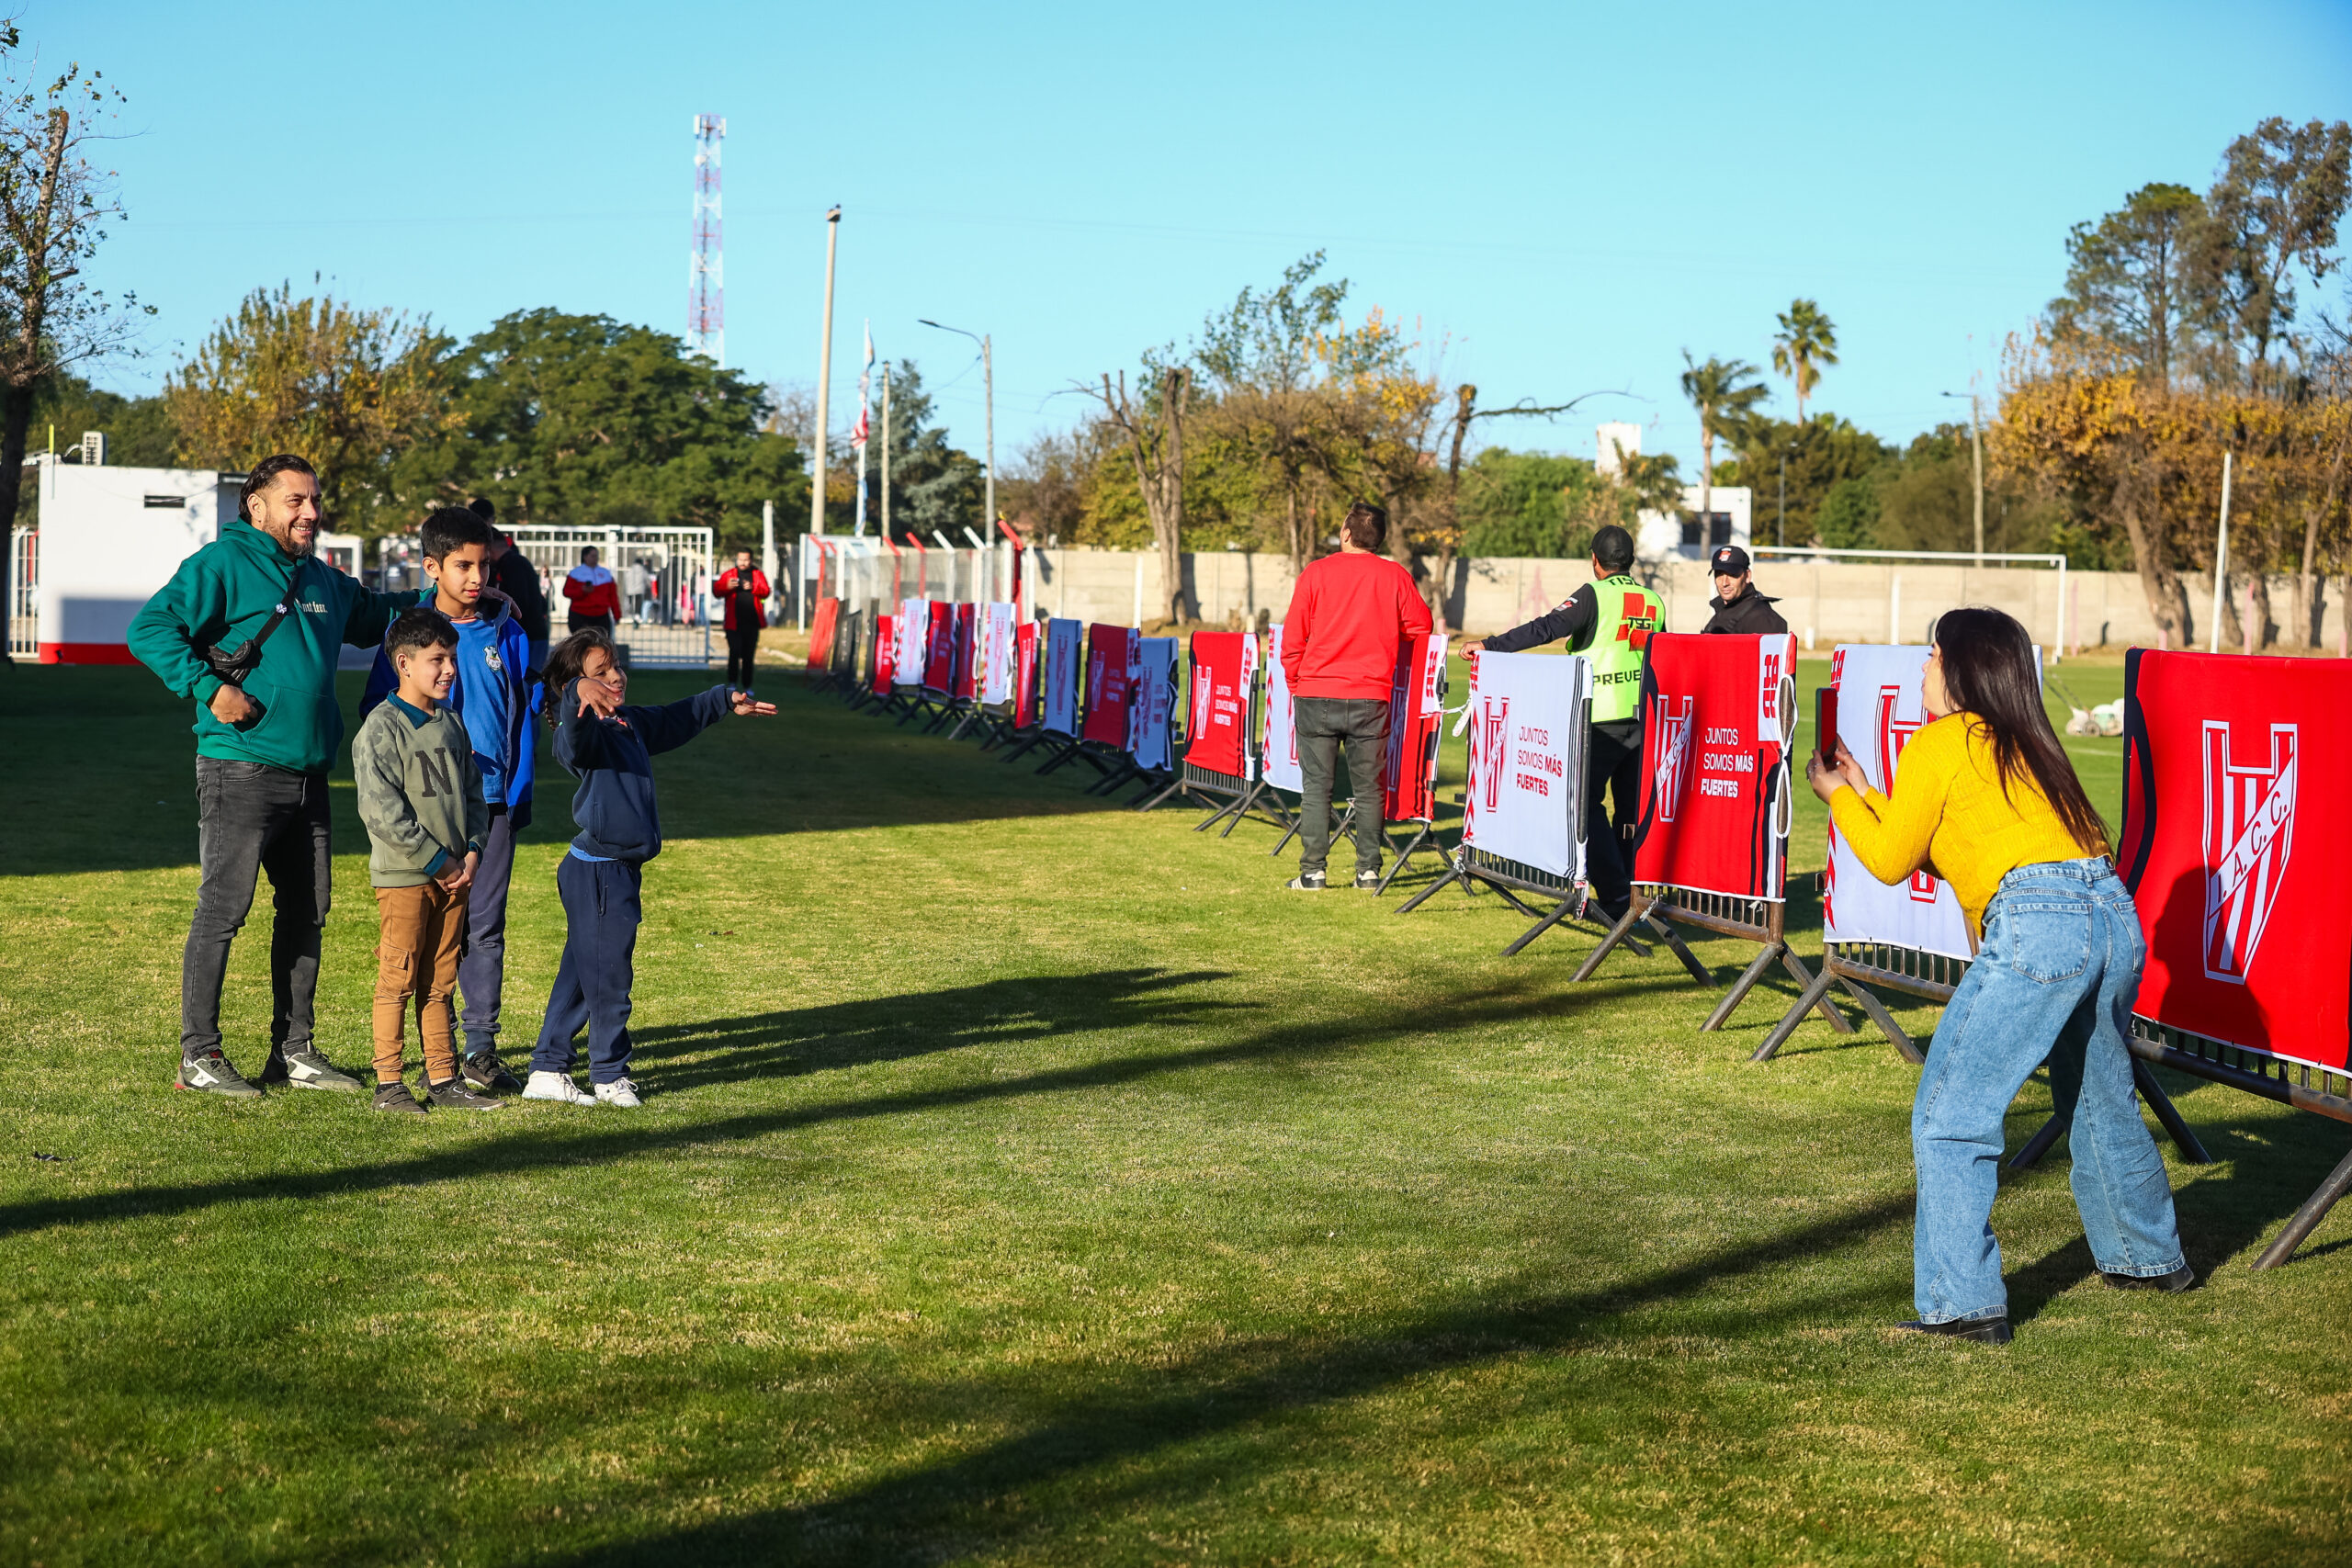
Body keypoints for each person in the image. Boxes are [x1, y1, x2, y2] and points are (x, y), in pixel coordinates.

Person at [1808, 606, 2188, 1345]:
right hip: (2111, 914)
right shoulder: (2029, 742)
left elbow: (1887, 861)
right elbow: (1942, 845)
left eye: (1931, 654)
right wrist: (1865, 790)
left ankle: (1964, 1303)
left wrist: (1837, 796)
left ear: (1960, 668)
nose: (1923, 666)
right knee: (2100, 1099)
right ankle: (2149, 1258)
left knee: (1950, 1112)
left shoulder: (1940, 741)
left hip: (2039, 925)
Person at [127, 453, 413, 1098]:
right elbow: (150, 629)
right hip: (240, 764)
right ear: (257, 507)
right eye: (296, 501)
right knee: (224, 909)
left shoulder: (323, 579)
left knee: (308, 911)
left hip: (310, 772)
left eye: (315, 500)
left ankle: (295, 1051)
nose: (311, 512)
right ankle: (200, 1054)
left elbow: (379, 613)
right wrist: (209, 689)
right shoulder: (223, 563)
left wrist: (445, 595)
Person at [525, 626, 777, 1108]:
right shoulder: (583, 734)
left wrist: (723, 699)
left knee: (582, 976)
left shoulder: (628, 722)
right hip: (599, 873)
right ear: (578, 685)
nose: (616, 677)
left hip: (611, 872)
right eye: (601, 673)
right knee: (610, 982)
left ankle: (547, 1069)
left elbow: (676, 718)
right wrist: (577, 690)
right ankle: (609, 1075)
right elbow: (573, 733)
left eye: (616, 666)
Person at [362, 506, 552, 1093]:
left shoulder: (506, 629)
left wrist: (518, 784)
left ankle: (479, 1050)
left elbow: (526, 699)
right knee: (420, 944)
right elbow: (379, 713)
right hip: (425, 817)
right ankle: (413, 1063)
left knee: (486, 928)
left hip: (490, 806)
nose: (477, 578)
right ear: (433, 567)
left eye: (484, 566)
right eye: (463, 566)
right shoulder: (409, 633)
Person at [1459, 524, 1660, 923]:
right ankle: (1633, 895)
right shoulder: (1654, 600)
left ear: (1595, 559)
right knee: (1629, 813)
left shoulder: (1594, 594)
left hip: (1600, 717)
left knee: (1583, 808)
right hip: (1643, 718)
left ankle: (1617, 897)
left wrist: (1491, 645)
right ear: (1631, 560)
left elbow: (1547, 628)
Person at [352, 608, 503, 1114]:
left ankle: (443, 1077)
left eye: (452, 658)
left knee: (440, 982)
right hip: (406, 877)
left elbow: (476, 794)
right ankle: (389, 1084)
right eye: (437, 659)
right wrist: (437, 861)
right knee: (398, 979)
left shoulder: (451, 722)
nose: (449, 669)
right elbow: (382, 812)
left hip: (456, 877)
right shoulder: (381, 728)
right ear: (404, 664)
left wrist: (474, 850)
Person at [1278, 502, 1433, 891]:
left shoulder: (1316, 573)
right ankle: (1368, 871)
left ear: (1346, 533)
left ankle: (1313, 871)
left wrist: (1296, 683)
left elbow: (1293, 637)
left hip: (1317, 692)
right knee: (1369, 788)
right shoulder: (1394, 576)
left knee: (1317, 787)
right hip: (1370, 695)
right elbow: (1421, 626)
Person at [474, 499, 551, 680]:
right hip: (524, 632)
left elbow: (519, 601)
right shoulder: (511, 562)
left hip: (528, 634)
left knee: (528, 681)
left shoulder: (513, 565)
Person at [1698, 544, 1789, 635]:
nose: (1724, 583)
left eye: (1732, 575)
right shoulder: (1724, 609)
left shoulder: (1762, 618)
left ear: (1747, 576)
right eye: (1719, 575)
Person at [715, 547, 772, 692]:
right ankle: (732, 683)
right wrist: (727, 586)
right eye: (740, 559)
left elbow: (766, 591)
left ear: (751, 560)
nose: (743, 563)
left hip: (752, 623)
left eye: (746, 560)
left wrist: (753, 587)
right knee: (734, 652)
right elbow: (716, 591)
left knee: (748, 655)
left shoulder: (757, 574)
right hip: (733, 623)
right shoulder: (729, 574)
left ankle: (747, 686)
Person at [561, 547, 620, 637]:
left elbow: (613, 596)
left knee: (602, 641)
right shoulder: (575, 573)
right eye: (592, 556)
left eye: (596, 556)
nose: (595, 558)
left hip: (601, 615)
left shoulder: (605, 573)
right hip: (580, 614)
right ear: (585, 557)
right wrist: (582, 590)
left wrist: (617, 614)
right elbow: (566, 592)